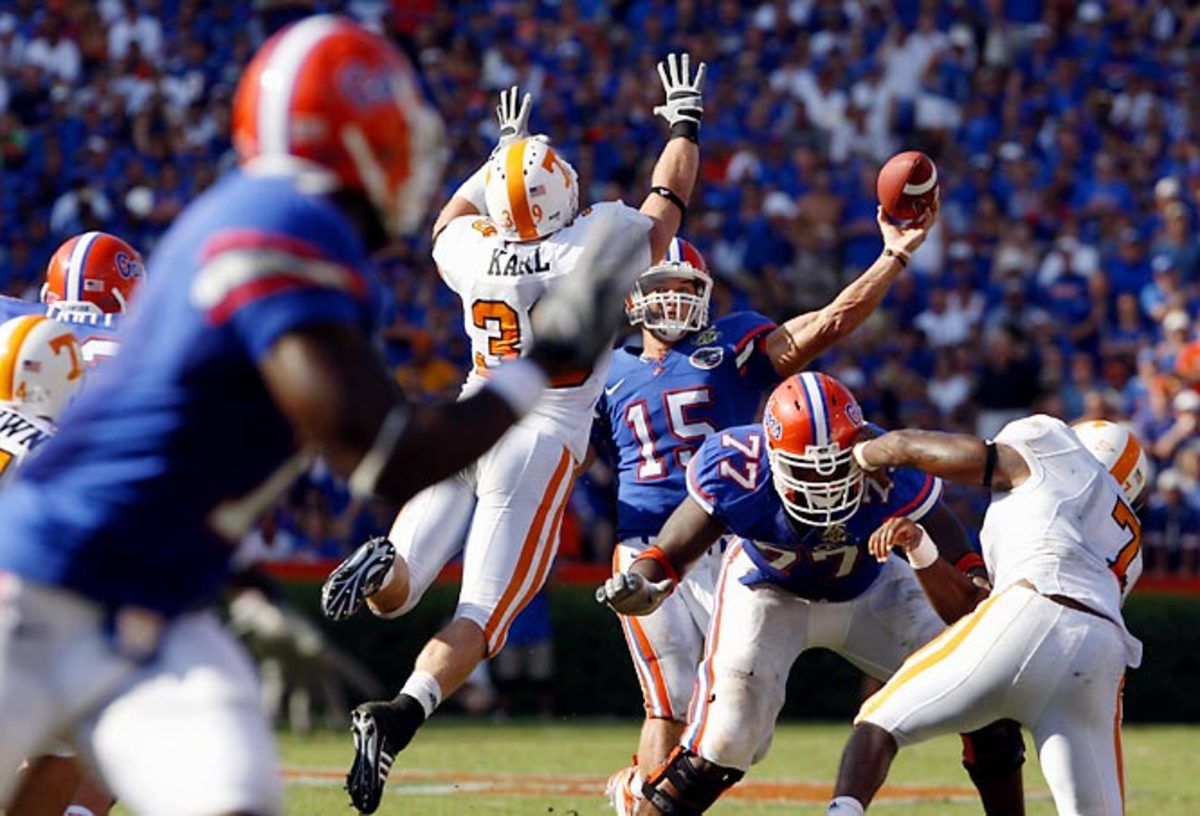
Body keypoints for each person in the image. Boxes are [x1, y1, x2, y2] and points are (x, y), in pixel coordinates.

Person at [0, 16, 646, 816]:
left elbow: (181, 459)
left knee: (226, 786)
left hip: (147, 593)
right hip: (47, 581)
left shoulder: (259, 221)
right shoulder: (289, 229)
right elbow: (381, 454)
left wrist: (247, 591)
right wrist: (544, 365)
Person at [318, 54, 706, 815]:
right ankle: (400, 714)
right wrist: (684, 121)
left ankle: (384, 562)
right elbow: (670, 199)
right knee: (483, 613)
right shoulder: (594, 237)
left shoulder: (474, 252)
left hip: (465, 418)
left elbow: (448, 219)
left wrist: (500, 153)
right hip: (539, 438)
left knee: (396, 597)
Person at [593, 204, 939, 815]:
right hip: (650, 542)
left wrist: (893, 257)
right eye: (661, 288)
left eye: (685, 289)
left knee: (737, 729)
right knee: (670, 700)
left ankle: (638, 791)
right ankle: (648, 804)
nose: (673, 301)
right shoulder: (606, 374)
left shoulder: (733, 343)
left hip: (734, 536)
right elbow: (588, 453)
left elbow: (830, 323)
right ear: (631, 299)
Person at [598, 373, 1025, 816]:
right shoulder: (736, 467)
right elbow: (669, 553)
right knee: (726, 735)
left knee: (983, 695)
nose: (825, 484)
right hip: (766, 590)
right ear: (772, 456)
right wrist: (645, 582)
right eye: (807, 471)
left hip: (870, 586)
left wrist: (976, 585)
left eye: (841, 466)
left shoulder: (889, 467)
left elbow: (956, 550)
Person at [825, 417, 1147, 816]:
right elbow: (974, 610)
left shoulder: (1054, 444)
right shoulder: (1126, 540)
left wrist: (870, 451)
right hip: (1101, 658)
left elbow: (966, 455)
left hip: (1032, 607)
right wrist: (922, 549)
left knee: (878, 723)